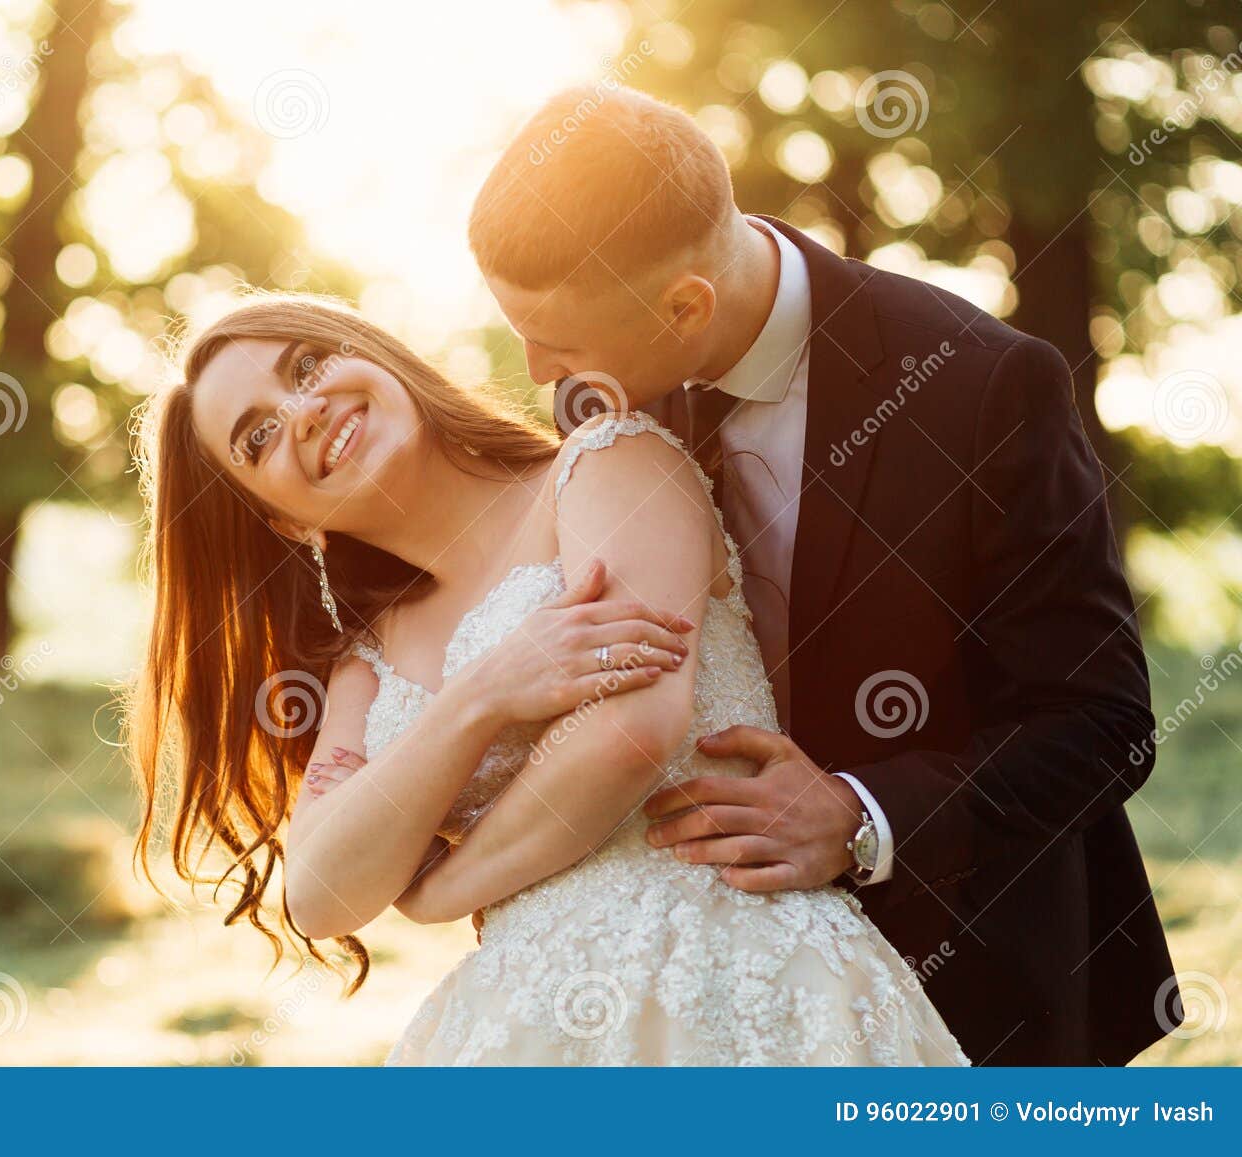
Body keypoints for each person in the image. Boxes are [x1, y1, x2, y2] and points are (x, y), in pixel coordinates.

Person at [460, 83, 1177, 1065]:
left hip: (968, 978)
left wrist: (857, 811)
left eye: (558, 340)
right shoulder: (603, 398)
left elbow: (1100, 721)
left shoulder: (981, 386)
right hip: (705, 1000)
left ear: (685, 306)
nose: (537, 368)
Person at [128, 295, 967, 1064]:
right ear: (278, 517)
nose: (303, 410)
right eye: (258, 436)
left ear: (372, 355)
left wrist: (438, 890)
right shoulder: (365, 673)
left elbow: (629, 733)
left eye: (307, 364)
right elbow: (319, 892)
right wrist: (481, 693)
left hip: (736, 973)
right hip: (520, 1035)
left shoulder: (608, 467)